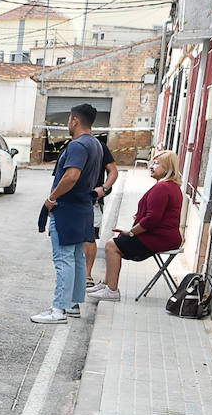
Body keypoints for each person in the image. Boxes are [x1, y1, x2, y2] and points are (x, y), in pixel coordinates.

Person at [31, 104, 103, 324]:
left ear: (74, 121)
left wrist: (52, 198)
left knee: (64, 259)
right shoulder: (96, 144)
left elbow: (71, 176)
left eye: (69, 120)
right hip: (83, 209)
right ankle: (72, 304)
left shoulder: (77, 145)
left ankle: (58, 310)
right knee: (76, 258)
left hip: (68, 209)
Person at [88, 150, 184, 301]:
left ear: (168, 167)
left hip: (160, 238)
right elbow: (158, 214)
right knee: (116, 241)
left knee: (112, 246)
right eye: (152, 162)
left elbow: (152, 219)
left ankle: (112, 290)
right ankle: (106, 284)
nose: (152, 166)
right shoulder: (171, 186)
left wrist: (131, 232)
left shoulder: (163, 187)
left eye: (157, 163)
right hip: (163, 236)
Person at [85, 139, 119, 287]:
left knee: (90, 238)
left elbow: (113, 171)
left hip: (93, 202)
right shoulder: (70, 146)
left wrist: (104, 188)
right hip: (71, 203)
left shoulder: (100, 147)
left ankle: (87, 274)